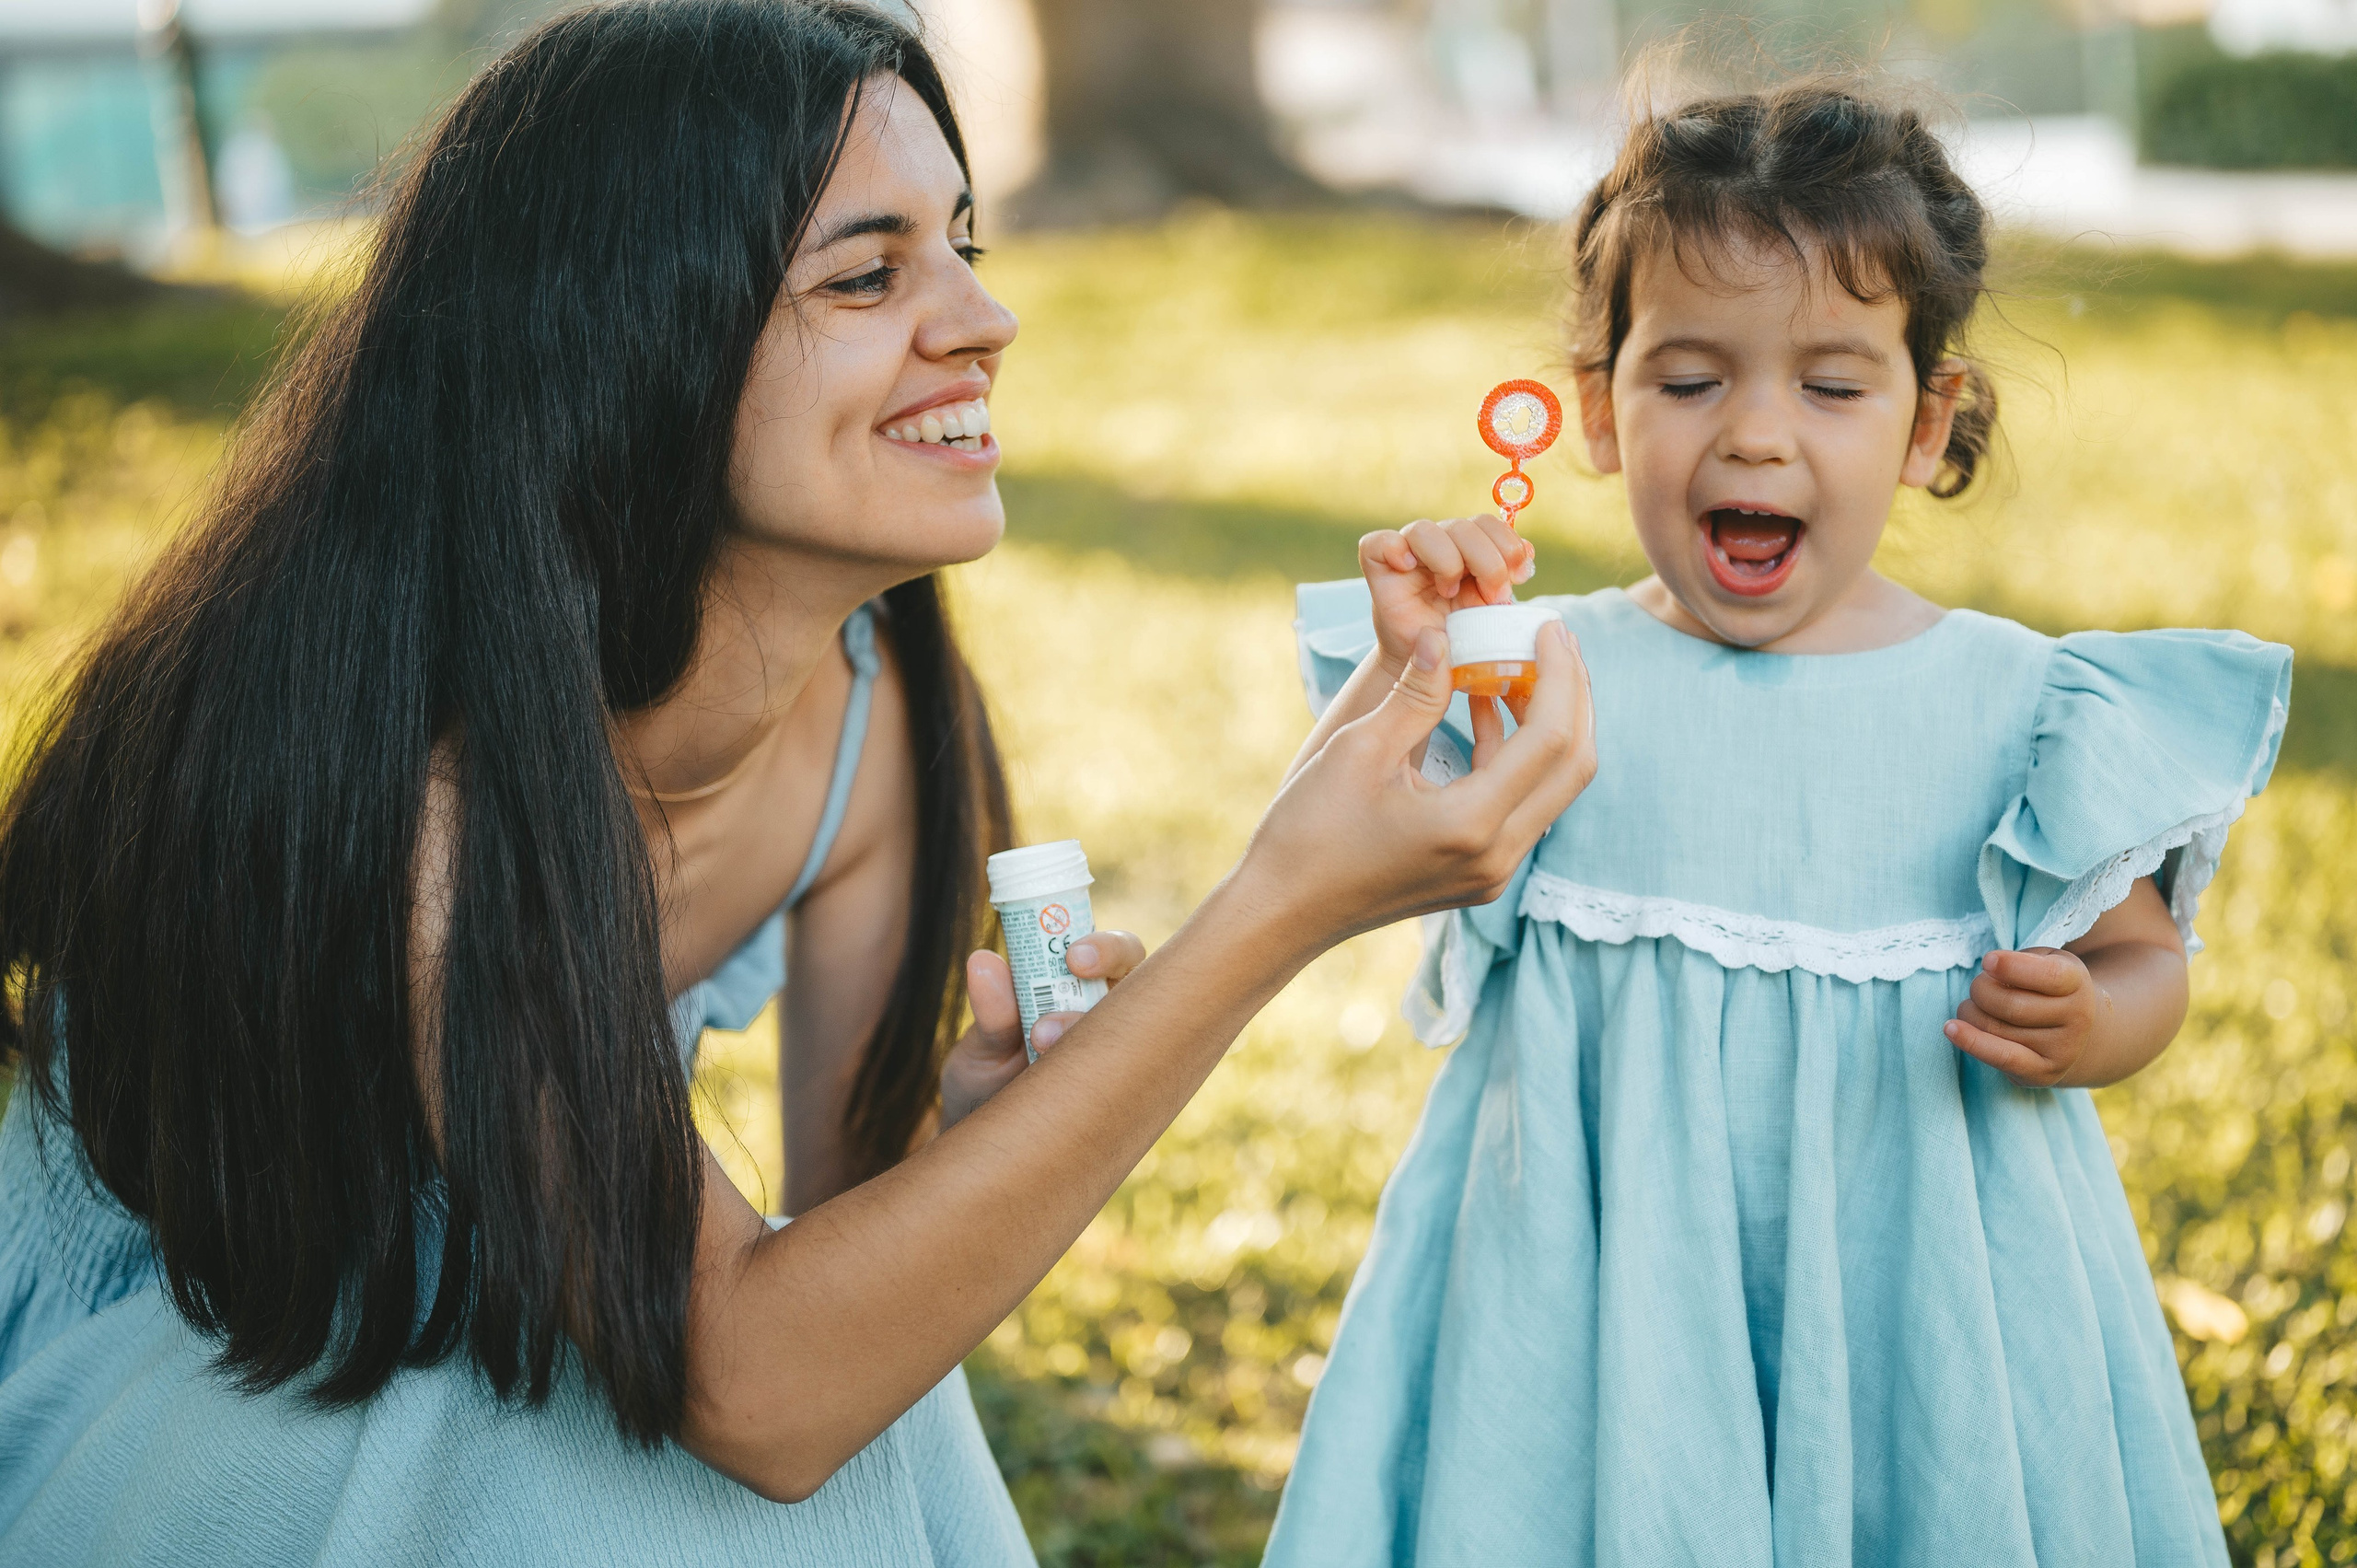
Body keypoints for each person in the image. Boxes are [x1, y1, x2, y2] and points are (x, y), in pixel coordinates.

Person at [0, 4, 1595, 1563]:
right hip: (243, 1340)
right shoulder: (441, 804)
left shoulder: (876, 702)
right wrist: (1281, 903)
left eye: (967, 244)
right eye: (869, 272)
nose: (983, 318)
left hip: (579, 1294)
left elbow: (852, 1290)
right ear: (633, 336)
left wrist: (980, 1135)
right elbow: (759, 1395)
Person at [1267, 75, 2290, 1564]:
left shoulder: (2017, 708)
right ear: (1599, 411)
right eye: (1689, 382)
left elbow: (2144, 963)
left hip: (1917, 1286)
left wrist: (2095, 1016)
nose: (1754, 439)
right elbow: (1359, 845)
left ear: (1929, 422)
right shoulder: (1539, 672)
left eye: (1830, 384)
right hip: (1592, 1290)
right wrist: (1420, 657)